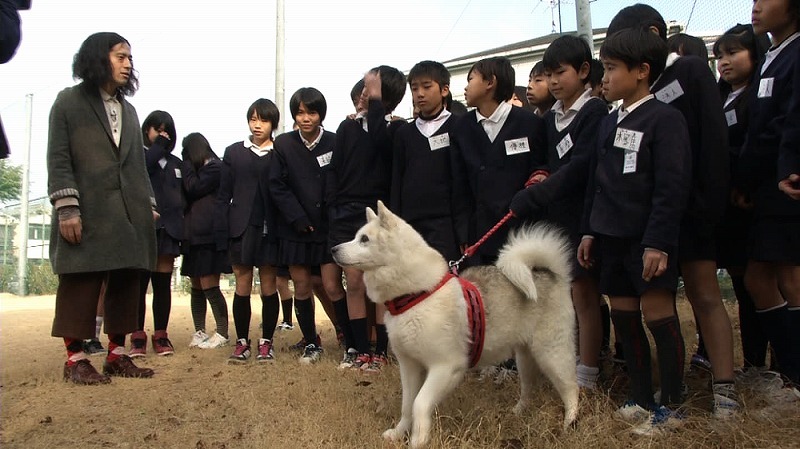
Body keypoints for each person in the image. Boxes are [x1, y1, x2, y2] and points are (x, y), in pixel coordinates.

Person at [608, 3, 739, 418]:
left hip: (693, 210)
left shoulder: (690, 72)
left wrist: (707, 207)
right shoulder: (628, 98)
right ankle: (659, 391)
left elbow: (713, 144)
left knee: (704, 294)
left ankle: (725, 389)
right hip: (649, 220)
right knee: (656, 304)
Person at [578, 28, 691, 435]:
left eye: (610, 69)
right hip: (611, 237)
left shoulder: (665, 119)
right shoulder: (610, 121)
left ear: (642, 71)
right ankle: (641, 396)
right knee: (625, 317)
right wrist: (590, 231)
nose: (604, 78)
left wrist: (658, 242)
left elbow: (671, 186)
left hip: (647, 241)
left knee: (658, 316)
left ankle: (673, 406)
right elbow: (597, 182)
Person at [48, 32, 156, 384]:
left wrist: (148, 205)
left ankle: (116, 354)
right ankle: (75, 359)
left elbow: (137, 164)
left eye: (129, 58)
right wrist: (67, 208)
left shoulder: (130, 109)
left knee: (127, 280)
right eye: (120, 56)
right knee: (81, 281)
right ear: (98, 58)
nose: (128, 64)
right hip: (86, 209)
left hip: (127, 212)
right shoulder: (68, 102)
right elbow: (59, 157)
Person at [511, 35, 609, 389]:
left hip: (586, 214)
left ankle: (588, 373)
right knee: (569, 294)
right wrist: (538, 175)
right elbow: (546, 163)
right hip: (557, 217)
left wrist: (538, 193)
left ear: (584, 71)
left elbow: (580, 168)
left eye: (559, 73)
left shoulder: (594, 111)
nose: (552, 81)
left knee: (585, 294)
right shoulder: (551, 117)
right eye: (547, 74)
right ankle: (577, 362)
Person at [737, 0, 800, 399]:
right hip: (765, 185)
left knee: (788, 278)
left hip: (786, 182)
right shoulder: (772, 57)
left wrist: (788, 168)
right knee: (761, 277)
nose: (756, 7)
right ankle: (790, 375)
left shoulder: (796, 54)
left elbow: (790, 120)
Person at [328, 66, 407, 372]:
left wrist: (376, 105)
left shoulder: (397, 130)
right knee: (355, 282)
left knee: (380, 283)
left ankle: (382, 351)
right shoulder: (347, 128)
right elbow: (335, 171)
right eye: (363, 87)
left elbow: (381, 144)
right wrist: (334, 208)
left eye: (370, 87)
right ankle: (360, 349)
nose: (363, 92)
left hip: (378, 213)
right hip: (346, 213)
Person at [712, 24, 776, 385]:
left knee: (765, 283)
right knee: (743, 285)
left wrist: (746, 183)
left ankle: (777, 364)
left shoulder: (760, 96)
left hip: (756, 201)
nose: (724, 61)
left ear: (756, 53)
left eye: (734, 52)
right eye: (720, 55)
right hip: (729, 206)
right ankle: (753, 362)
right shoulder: (720, 98)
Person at [450, 56, 545, 266]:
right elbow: (459, 185)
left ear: (490, 83)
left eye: (470, 79)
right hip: (480, 235)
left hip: (520, 233)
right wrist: (463, 232)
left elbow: (539, 169)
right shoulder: (461, 128)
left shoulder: (530, 124)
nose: (465, 88)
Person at [269, 87, 338, 364]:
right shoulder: (284, 144)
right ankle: (311, 342)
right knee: (301, 286)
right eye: (299, 112)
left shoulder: (335, 141)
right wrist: (297, 218)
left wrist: (330, 217)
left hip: (328, 228)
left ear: (321, 113)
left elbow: (339, 181)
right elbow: (277, 185)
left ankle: (348, 337)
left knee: (332, 286)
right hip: (295, 228)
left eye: (311, 112)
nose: (306, 118)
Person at [214, 99, 281, 364]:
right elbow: (223, 196)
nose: (257, 125)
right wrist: (221, 231)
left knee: (268, 286)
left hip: (269, 228)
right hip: (240, 227)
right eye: (253, 119)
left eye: (263, 120)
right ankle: (241, 342)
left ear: (272, 123)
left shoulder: (281, 152)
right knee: (241, 285)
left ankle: (266, 342)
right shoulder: (234, 152)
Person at [391, 61, 460, 264]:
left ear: (444, 89)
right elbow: (397, 180)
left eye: (427, 86)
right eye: (414, 88)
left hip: (446, 223)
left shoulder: (459, 126)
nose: (419, 93)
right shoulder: (404, 132)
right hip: (411, 224)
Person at [130, 110, 182, 357]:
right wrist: (157, 147)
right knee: (139, 285)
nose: (162, 135)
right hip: (143, 228)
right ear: (146, 130)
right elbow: (141, 171)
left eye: (166, 131)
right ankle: (137, 336)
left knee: (162, 285)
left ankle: (161, 334)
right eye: (157, 129)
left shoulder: (175, 163)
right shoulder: (138, 156)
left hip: (169, 231)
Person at [180, 133, 231, 350]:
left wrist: (187, 166)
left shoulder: (215, 168)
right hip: (193, 237)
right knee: (196, 286)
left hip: (209, 235)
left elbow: (192, 187)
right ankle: (199, 330)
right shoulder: (201, 170)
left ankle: (222, 332)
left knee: (210, 285)